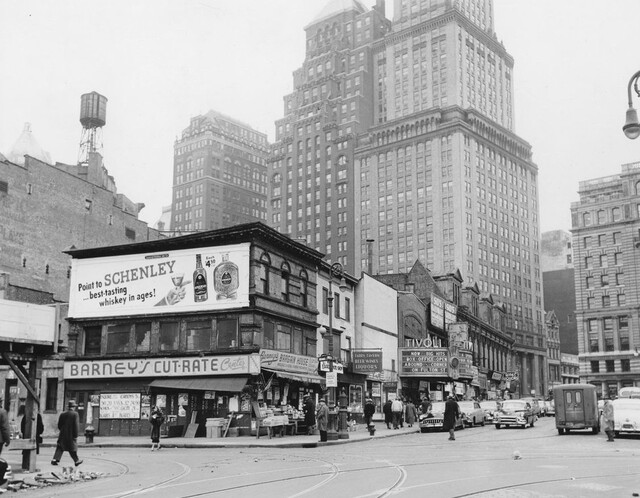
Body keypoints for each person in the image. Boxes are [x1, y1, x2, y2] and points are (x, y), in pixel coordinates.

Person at [51, 400, 82, 466]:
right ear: (74, 407)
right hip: (71, 434)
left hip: (63, 433)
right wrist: (76, 434)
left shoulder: (63, 414)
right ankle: (76, 460)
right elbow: (76, 425)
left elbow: (59, 425)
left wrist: (62, 430)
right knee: (72, 448)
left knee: (60, 446)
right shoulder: (75, 414)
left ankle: (55, 459)